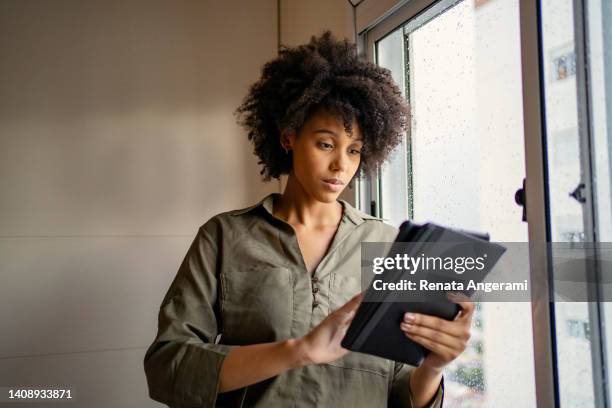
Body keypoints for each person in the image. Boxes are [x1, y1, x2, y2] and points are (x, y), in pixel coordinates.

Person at [143, 31, 474, 408]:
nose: (341, 165)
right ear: (288, 137)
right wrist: (298, 351)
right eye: (326, 144)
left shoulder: (387, 245)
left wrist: (433, 367)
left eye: (354, 150)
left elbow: (399, 391)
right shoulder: (224, 236)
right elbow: (168, 366)